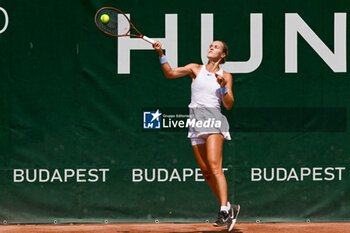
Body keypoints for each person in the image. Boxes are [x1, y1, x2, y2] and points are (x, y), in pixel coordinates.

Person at [153, 40, 240, 232]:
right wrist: (161, 53)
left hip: (214, 122)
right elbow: (170, 73)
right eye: (210, 45)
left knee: (214, 165)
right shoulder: (195, 69)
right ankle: (229, 207)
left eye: (216, 47)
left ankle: (224, 210)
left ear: (223, 55)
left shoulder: (226, 75)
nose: (211, 48)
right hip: (195, 123)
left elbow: (229, 104)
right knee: (206, 172)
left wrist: (224, 87)